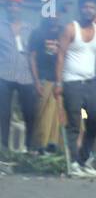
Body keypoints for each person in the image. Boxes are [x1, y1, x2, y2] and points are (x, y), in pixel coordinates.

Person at [54, 0, 96, 178]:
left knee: (93, 122)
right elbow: (61, 55)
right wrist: (58, 83)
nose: (89, 10)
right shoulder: (71, 29)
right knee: (74, 124)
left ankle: (83, 159)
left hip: (90, 85)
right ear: (80, 9)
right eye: (86, 7)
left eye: (92, 7)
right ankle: (72, 163)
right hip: (72, 85)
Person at [0, 0, 37, 153]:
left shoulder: (29, 28)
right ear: (6, 7)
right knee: (3, 114)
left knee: (29, 112)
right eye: (10, 5)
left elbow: (34, 52)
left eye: (16, 5)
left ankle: (30, 147)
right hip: (4, 74)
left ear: (21, 7)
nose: (13, 8)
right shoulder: (1, 25)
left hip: (26, 75)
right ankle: (3, 148)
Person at [27, 14, 64, 153]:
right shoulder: (38, 32)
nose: (54, 17)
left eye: (57, 13)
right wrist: (36, 81)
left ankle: (52, 145)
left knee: (56, 114)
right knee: (42, 113)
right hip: (43, 79)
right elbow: (32, 58)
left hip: (59, 80)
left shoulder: (63, 31)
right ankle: (39, 145)